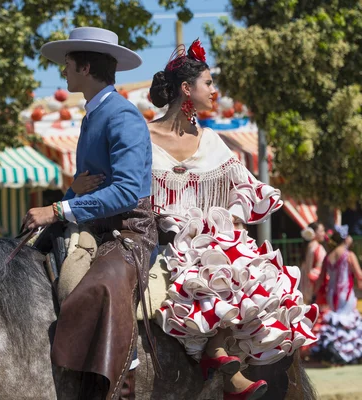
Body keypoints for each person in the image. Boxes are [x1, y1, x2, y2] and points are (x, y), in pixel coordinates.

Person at [146, 39, 318, 399]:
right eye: (208, 83)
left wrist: (234, 218)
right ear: (185, 89)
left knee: (249, 272)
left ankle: (226, 359)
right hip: (163, 241)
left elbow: (246, 188)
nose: (215, 90)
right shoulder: (144, 137)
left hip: (215, 242)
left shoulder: (212, 141)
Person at [23, 27, 155, 400]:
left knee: (100, 287)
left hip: (129, 231)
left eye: (67, 64)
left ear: (83, 66)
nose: (62, 72)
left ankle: (118, 385)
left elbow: (128, 191)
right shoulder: (92, 114)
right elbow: (87, 186)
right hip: (89, 224)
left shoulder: (123, 116)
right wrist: (68, 199)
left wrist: (57, 208)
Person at [312, 225, 362, 364]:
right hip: (345, 293)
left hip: (331, 294)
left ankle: (335, 351)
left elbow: (320, 279)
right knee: (347, 322)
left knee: (335, 322)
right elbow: (359, 275)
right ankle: (348, 354)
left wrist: (313, 295)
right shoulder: (349, 255)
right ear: (345, 239)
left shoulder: (328, 257)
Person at [300, 222, 327, 304]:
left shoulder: (307, 247)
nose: (324, 233)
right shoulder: (318, 248)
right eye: (322, 231)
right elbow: (319, 269)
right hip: (315, 287)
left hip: (305, 287)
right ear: (314, 233)